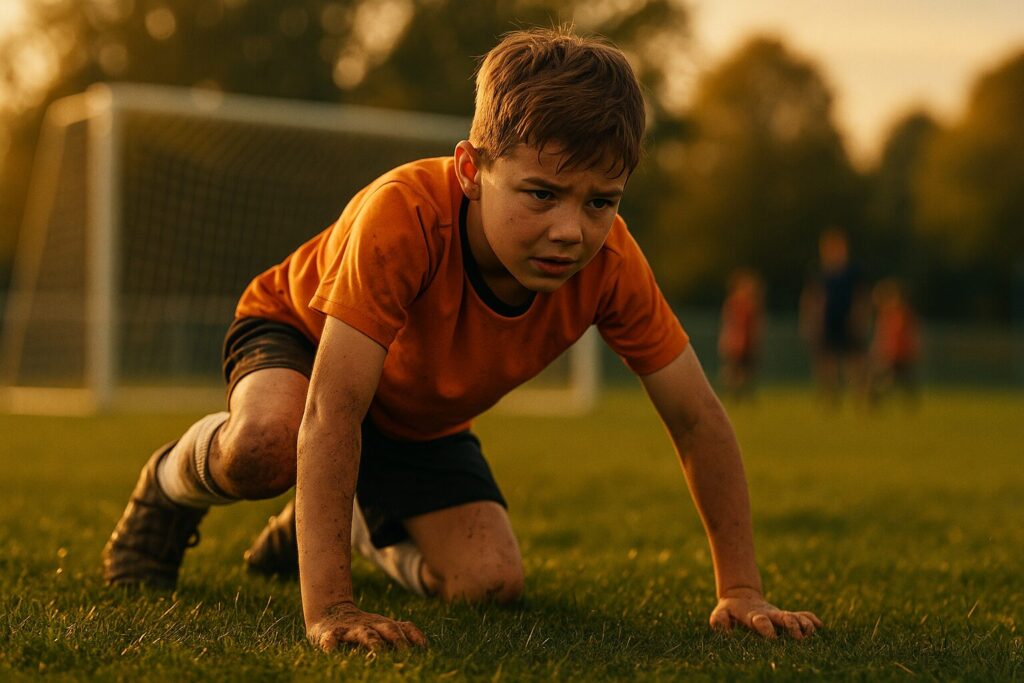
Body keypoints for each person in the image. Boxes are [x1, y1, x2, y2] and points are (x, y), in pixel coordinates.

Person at [102, 27, 823, 652]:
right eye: (541, 193)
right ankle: (169, 481)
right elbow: (332, 409)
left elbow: (698, 418)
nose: (571, 229)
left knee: (489, 583)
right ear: (471, 171)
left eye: (600, 201)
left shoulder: (611, 265)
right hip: (304, 342)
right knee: (267, 444)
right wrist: (331, 608)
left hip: (414, 413)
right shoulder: (403, 217)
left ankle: (345, 520)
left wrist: (743, 589)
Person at [799, 228, 869, 405]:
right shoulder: (818, 271)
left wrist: (859, 317)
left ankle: (859, 395)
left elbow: (860, 296)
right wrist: (809, 319)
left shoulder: (853, 271)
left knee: (854, 360)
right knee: (825, 359)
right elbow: (810, 297)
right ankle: (829, 396)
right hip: (825, 321)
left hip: (848, 320)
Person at [868, 278, 921, 405]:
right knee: (889, 378)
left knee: (901, 379)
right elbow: (881, 334)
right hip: (889, 353)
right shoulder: (885, 313)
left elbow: (912, 333)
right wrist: (877, 349)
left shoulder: (904, 313)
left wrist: (913, 349)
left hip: (902, 353)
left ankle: (879, 396)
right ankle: (876, 396)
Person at [718, 269, 764, 400]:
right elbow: (729, 323)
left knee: (747, 371)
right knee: (735, 370)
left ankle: (744, 394)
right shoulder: (734, 303)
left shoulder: (750, 304)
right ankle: (735, 394)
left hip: (745, 342)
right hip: (737, 342)